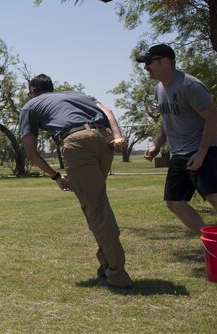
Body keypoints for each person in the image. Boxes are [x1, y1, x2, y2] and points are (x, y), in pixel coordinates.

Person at [19, 75, 132, 289]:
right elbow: (107, 111)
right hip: (105, 137)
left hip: (77, 142)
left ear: (33, 92)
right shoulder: (76, 95)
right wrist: (118, 136)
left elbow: (31, 152)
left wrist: (55, 176)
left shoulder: (30, 106)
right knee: (96, 204)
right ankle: (106, 265)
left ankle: (117, 274)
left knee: (96, 208)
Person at [137, 44, 217, 234]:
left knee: (216, 197)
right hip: (179, 152)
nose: (145, 67)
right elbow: (166, 118)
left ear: (165, 61)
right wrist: (157, 144)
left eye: (148, 62)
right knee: (174, 202)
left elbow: (213, 118)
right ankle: (211, 243)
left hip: (203, 149)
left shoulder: (190, 85)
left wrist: (201, 153)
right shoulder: (159, 89)